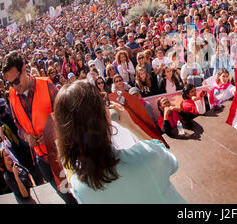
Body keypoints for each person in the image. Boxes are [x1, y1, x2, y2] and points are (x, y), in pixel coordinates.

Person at [53, 80, 186, 204]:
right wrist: (132, 126)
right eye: (104, 102)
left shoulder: (79, 186)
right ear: (105, 115)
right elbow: (170, 162)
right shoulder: (145, 156)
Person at [2, 51, 78, 203]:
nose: (14, 86)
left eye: (16, 81)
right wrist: (26, 136)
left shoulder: (46, 85)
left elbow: (67, 114)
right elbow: (18, 125)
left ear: (24, 69)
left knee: (80, 193)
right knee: (68, 199)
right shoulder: (12, 95)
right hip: (42, 160)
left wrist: (53, 131)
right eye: (10, 83)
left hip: (63, 156)